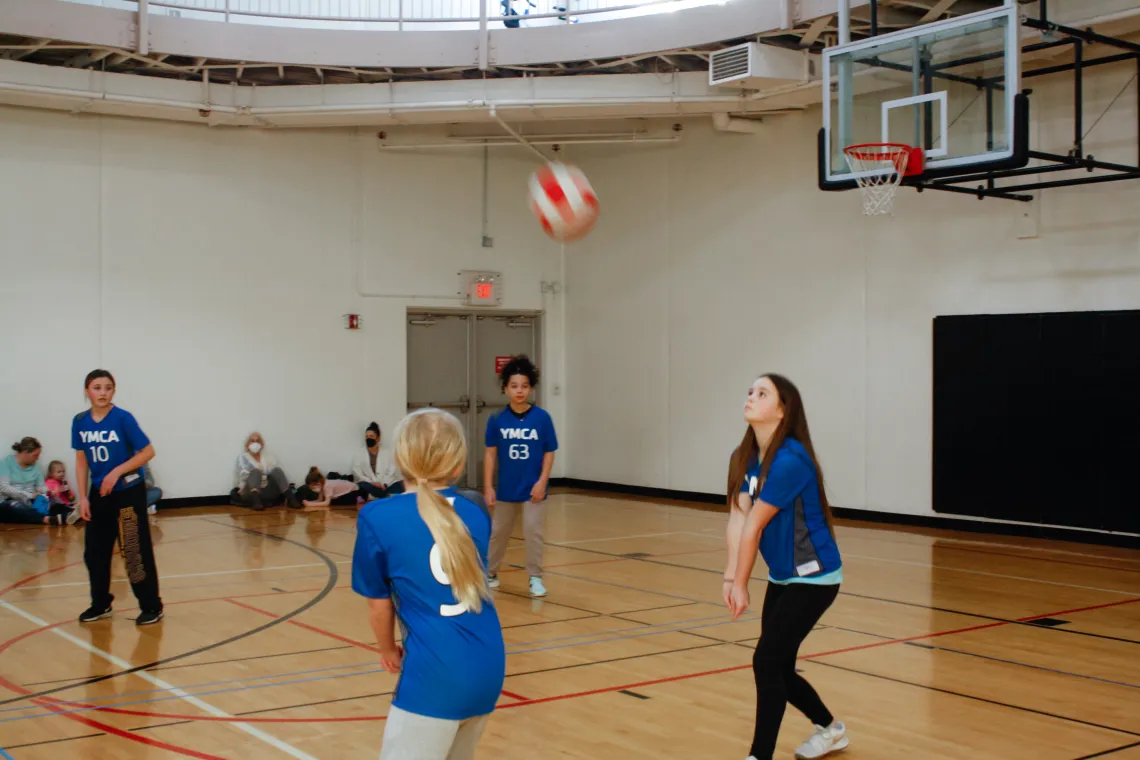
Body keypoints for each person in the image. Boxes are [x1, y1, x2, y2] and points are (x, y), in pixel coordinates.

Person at [353, 408, 505, 760]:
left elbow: (379, 603)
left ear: (400, 458)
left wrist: (387, 650)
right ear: (457, 464)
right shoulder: (476, 509)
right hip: (487, 667)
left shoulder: (377, 517)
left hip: (434, 676)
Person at [725, 374, 848, 760]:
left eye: (762, 393)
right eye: (750, 391)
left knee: (766, 660)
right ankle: (831, 730)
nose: (750, 396)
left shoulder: (791, 460)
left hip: (815, 578)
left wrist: (742, 582)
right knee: (778, 666)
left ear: (782, 410)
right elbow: (737, 518)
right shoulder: (745, 457)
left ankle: (759, 756)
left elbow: (755, 526)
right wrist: (731, 575)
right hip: (783, 576)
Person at [73, 369, 164, 626]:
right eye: (97, 387)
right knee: (95, 552)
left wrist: (117, 471)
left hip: (127, 493)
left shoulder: (123, 419)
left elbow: (148, 452)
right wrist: (83, 498)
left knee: (134, 550)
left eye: (108, 387)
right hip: (99, 494)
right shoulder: (80, 421)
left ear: (114, 391)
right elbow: (81, 462)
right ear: (87, 391)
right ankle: (100, 604)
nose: (103, 392)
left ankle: (151, 606)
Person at [483, 355, 557, 598]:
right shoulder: (496, 420)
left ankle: (535, 577)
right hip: (506, 488)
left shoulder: (542, 418)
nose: (519, 391)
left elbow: (549, 452)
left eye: (524, 386)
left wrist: (542, 481)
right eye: (514, 386)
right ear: (505, 388)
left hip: (533, 488)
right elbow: (491, 455)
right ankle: (490, 573)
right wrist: (488, 487)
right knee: (498, 533)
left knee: (533, 532)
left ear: (531, 388)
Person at [0, 439, 76, 526]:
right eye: (35, 455)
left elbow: (41, 487)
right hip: (9, 501)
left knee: (55, 505)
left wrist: (48, 492)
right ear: (25, 452)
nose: (37, 458)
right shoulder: (6, 463)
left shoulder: (36, 466)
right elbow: (4, 488)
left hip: (31, 502)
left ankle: (71, 513)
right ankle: (47, 519)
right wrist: (29, 495)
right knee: (15, 506)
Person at [234, 432, 300, 511]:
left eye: (257, 441)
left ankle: (290, 498)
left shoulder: (269, 457)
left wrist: (261, 471)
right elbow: (244, 474)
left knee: (277, 470)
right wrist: (260, 471)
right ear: (247, 445)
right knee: (255, 472)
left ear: (262, 444)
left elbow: (273, 471)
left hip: (267, 489)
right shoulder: (243, 457)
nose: (255, 443)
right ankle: (256, 501)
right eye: (252, 441)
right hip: (249, 490)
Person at [353, 422, 403, 500]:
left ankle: (379, 496)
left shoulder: (387, 452)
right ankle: (386, 497)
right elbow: (358, 473)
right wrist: (373, 483)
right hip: (370, 484)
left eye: (371, 436)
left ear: (378, 438)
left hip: (387, 484)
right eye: (367, 436)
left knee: (402, 484)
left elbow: (391, 471)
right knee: (362, 485)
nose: (368, 438)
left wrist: (384, 484)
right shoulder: (359, 454)